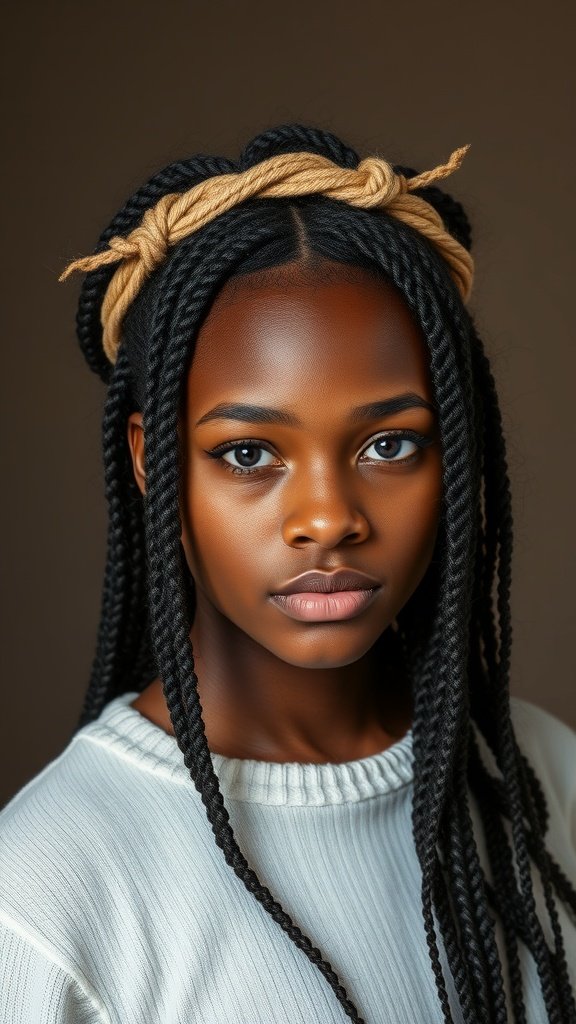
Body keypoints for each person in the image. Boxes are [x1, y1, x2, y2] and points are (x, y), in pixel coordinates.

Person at [0, 123, 575, 1024]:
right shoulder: (41, 897)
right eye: (249, 453)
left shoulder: (546, 777)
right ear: (154, 464)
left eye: (391, 444)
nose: (329, 518)